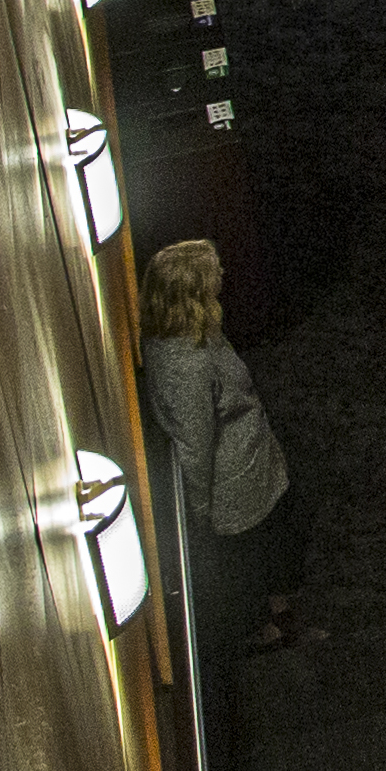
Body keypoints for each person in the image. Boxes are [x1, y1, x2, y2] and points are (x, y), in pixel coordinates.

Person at [136, 239, 300, 651]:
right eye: (213, 274)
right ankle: (270, 634)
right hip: (236, 488)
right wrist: (201, 510)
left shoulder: (194, 329)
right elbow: (195, 444)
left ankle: (281, 620)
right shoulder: (184, 365)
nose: (223, 277)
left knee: (269, 552)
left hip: (252, 466)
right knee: (252, 564)